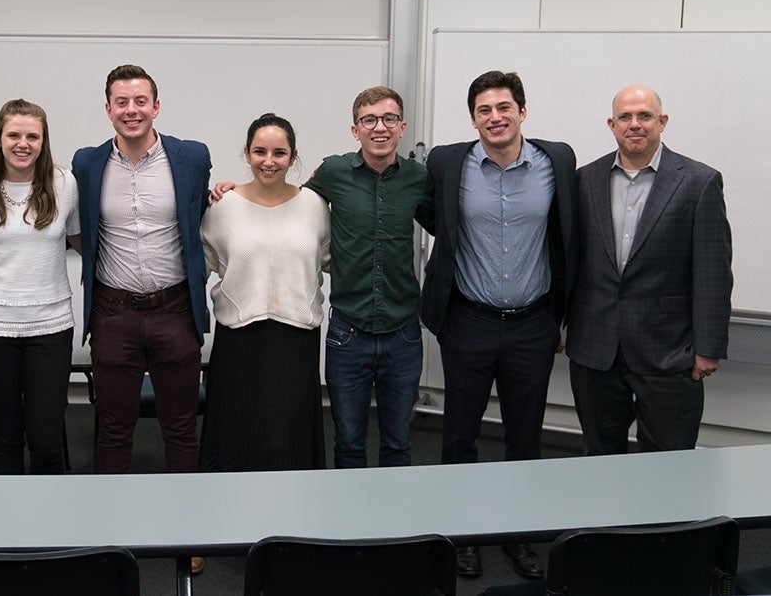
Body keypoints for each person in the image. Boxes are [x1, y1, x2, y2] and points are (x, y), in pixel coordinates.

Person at [419, 70, 577, 581]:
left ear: (523, 112)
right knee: (458, 436)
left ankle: (518, 536)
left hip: (533, 323)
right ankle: (463, 536)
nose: (495, 117)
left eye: (504, 107)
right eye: (484, 110)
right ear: (473, 119)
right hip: (468, 320)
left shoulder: (558, 160)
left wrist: (560, 316)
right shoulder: (448, 162)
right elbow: (429, 213)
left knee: (524, 437)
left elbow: (566, 232)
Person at [566, 85, 732, 454]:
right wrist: (565, 325)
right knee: (600, 457)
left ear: (662, 121)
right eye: (625, 117)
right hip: (596, 350)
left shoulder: (698, 182)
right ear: (612, 124)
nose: (634, 124)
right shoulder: (584, 180)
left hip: (669, 351)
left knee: (668, 463)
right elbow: (572, 260)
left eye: (644, 116)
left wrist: (708, 348)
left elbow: (713, 273)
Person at [72, 64, 212, 476]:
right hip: (115, 314)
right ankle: (111, 529)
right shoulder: (87, 163)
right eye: (122, 102)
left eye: (140, 101)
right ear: (108, 109)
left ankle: (186, 529)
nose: (131, 110)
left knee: (182, 427)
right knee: (113, 429)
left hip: (175, 310)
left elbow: (201, 210)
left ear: (156, 106)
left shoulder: (192, 156)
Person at [303, 86, 433, 470]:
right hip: (349, 333)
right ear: (355, 129)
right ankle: (350, 526)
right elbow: (286, 206)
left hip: (403, 334)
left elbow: (449, 226)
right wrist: (235, 191)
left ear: (402, 126)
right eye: (369, 119)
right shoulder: (333, 172)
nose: (380, 127)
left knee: (398, 444)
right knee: (348, 444)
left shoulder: (418, 178)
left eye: (389, 118)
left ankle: (395, 526)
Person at [0, 99, 81, 475]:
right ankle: (5, 528)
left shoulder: (64, 184)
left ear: (43, 141)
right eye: (14, 135)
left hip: (49, 326)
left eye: (32, 136)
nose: (23, 143)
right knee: (5, 436)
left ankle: (51, 528)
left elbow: (81, 241)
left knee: (45, 439)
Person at [199, 113, 330, 472]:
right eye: (260, 152)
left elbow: (329, 259)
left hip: (297, 336)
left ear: (293, 156)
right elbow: (203, 264)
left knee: (290, 435)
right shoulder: (222, 207)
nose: (269, 161)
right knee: (236, 432)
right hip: (239, 336)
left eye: (279, 153)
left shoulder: (315, 206)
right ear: (246, 153)